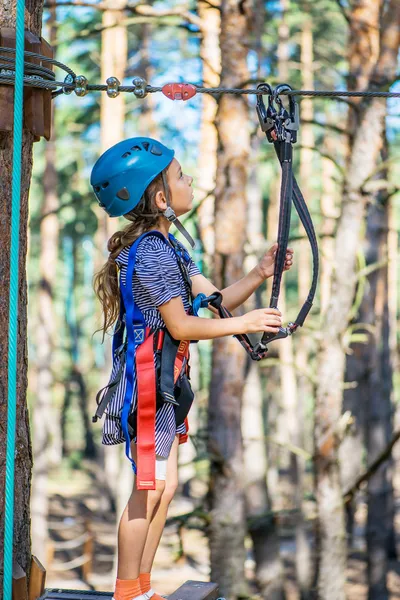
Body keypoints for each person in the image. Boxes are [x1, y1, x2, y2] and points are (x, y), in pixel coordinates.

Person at [92, 137, 294, 600]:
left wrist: (260, 274)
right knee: (149, 488)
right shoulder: (151, 253)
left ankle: (141, 588)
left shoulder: (171, 250)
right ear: (161, 197)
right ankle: (128, 593)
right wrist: (245, 323)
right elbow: (181, 324)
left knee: (165, 486)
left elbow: (212, 301)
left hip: (166, 384)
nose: (190, 181)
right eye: (181, 176)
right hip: (147, 384)